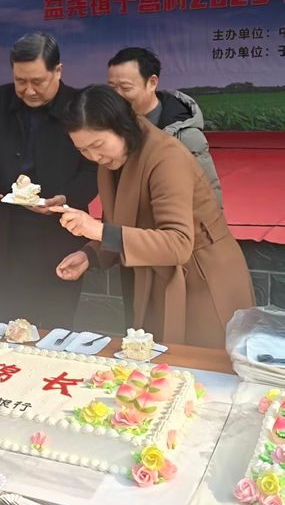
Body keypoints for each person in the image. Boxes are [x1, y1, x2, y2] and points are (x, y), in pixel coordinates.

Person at [50, 85, 255, 349]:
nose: (94, 157)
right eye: (83, 150)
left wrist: (98, 231)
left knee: (201, 366)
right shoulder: (113, 158)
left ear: (122, 126)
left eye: (97, 145)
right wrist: (89, 255)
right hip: (157, 271)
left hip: (202, 277)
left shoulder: (166, 157)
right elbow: (122, 221)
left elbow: (178, 243)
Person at [0, 33, 97, 328]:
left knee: (55, 328)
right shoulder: (0, 101)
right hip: (11, 234)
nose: (28, 90)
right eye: (20, 81)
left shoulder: (78, 106)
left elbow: (93, 170)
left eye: (38, 81)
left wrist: (66, 197)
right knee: (11, 327)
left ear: (58, 71)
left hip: (60, 234)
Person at [107, 47, 222, 207]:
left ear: (152, 83)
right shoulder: (110, 127)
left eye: (126, 88)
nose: (117, 96)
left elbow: (208, 193)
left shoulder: (184, 135)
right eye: (112, 88)